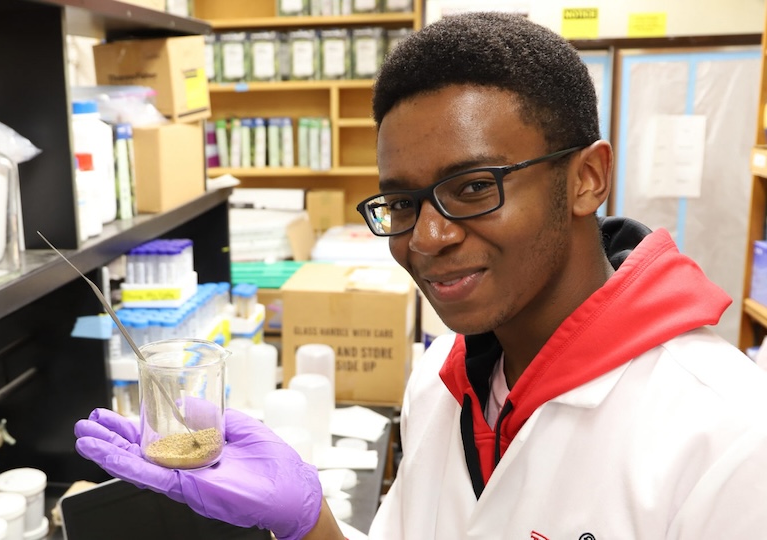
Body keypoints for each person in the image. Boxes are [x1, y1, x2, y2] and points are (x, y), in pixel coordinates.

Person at [74, 12, 767, 539]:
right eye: (403, 203)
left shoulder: (727, 436)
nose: (428, 238)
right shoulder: (442, 388)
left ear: (587, 178)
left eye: (473, 187)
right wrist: (310, 519)